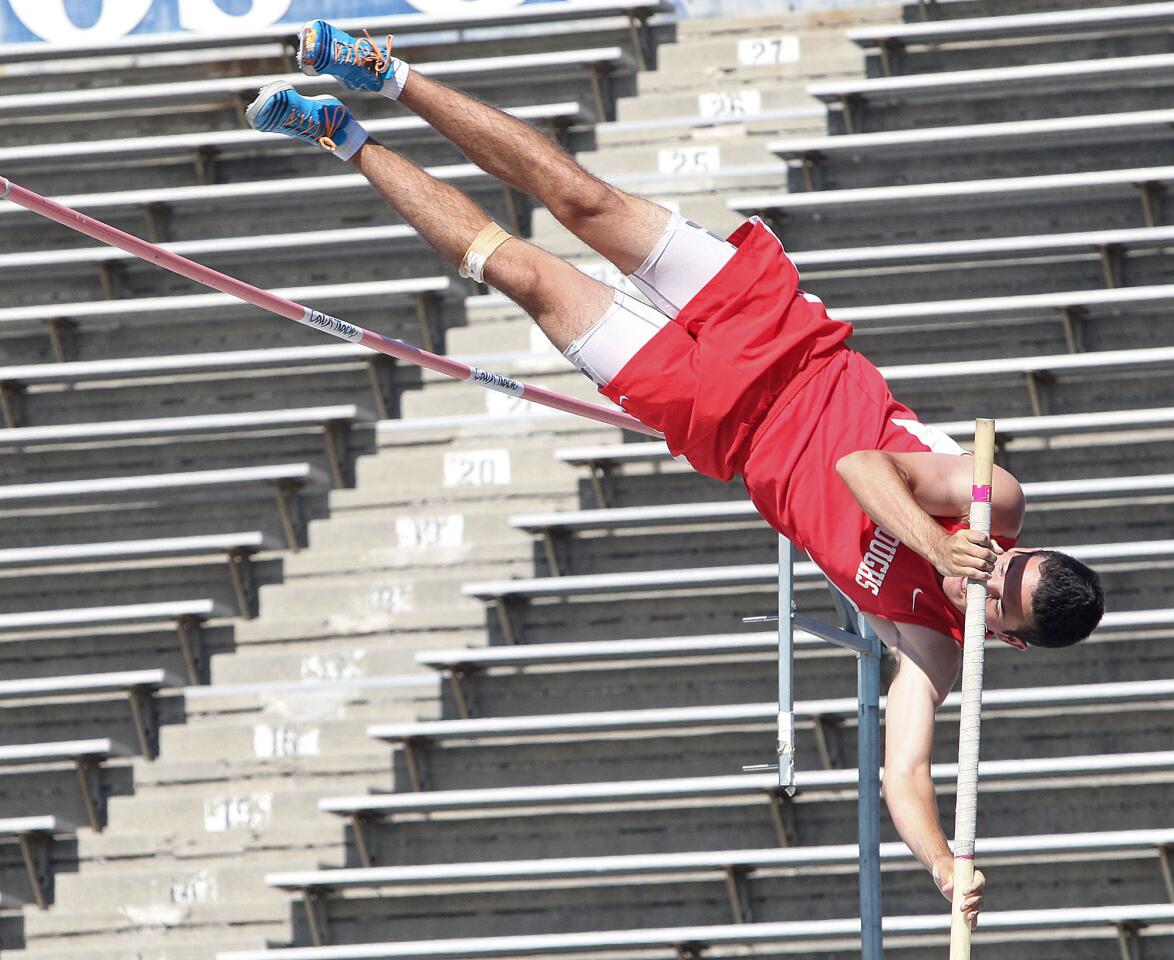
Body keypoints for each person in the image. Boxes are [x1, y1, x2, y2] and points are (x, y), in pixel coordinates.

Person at [246, 20, 1105, 929]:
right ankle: (384, 71)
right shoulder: (991, 499)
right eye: (1009, 563)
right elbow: (861, 466)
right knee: (580, 201)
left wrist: (939, 864)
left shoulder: (934, 649)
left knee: (527, 276)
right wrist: (942, 546)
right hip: (779, 338)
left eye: (996, 596)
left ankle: (344, 138)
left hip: (718, 421)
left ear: (1002, 638)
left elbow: (904, 771)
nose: (989, 571)